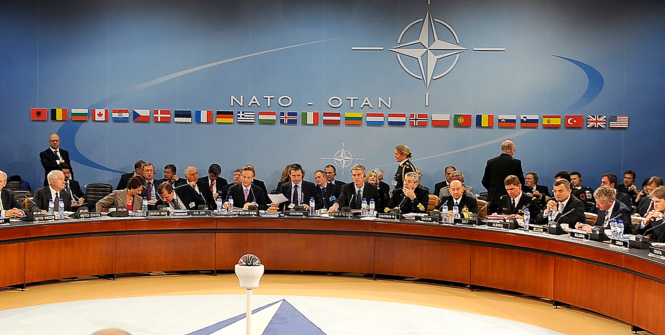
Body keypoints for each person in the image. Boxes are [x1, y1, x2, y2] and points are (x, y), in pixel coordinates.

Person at [481, 140, 524, 213]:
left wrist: (493, 189)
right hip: (508, 200)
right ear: (511, 149)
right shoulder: (516, 162)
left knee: (493, 221)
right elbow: (521, 181)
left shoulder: (491, 162)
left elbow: (484, 181)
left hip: (493, 199)